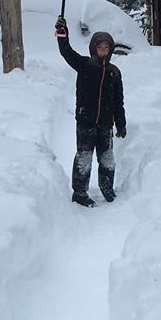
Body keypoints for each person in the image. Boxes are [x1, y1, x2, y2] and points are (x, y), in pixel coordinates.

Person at [55, 14, 126, 207]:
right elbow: (66, 52)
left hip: (105, 123)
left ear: (110, 50)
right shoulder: (84, 65)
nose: (103, 51)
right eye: (99, 47)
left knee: (107, 158)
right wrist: (62, 34)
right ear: (93, 48)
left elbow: (118, 101)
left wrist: (121, 124)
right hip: (86, 121)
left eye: (106, 48)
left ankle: (107, 188)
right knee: (84, 158)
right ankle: (80, 193)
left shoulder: (114, 72)